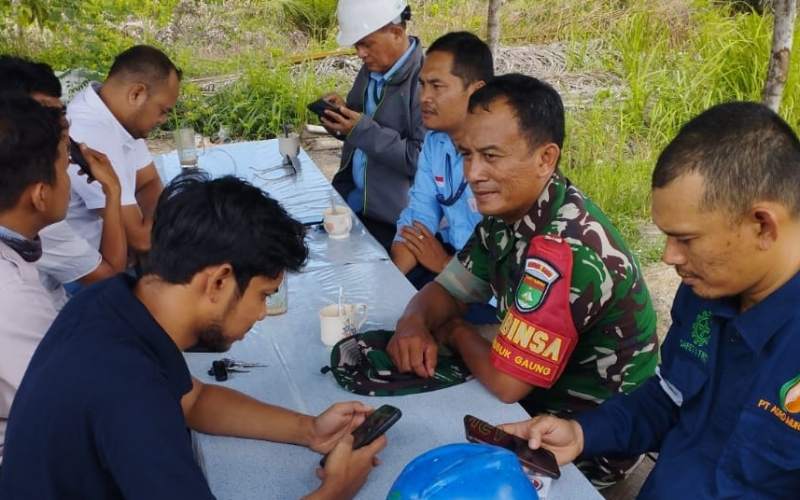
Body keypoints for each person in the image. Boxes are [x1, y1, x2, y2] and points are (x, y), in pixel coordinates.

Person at [0, 175, 386, 500]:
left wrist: (308, 429)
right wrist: (335, 491)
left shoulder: (110, 302)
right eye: (263, 296)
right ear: (218, 282)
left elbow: (194, 399)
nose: (261, 313)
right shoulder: (130, 391)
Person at [500, 102, 800, 498]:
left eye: (686, 239)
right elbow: (669, 398)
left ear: (762, 226)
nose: (669, 257)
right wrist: (582, 433)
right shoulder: (706, 290)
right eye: (667, 236)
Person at [387, 74, 658, 487]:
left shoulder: (566, 251)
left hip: (582, 441)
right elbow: (449, 289)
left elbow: (507, 384)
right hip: (533, 400)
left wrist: (454, 329)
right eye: (466, 154)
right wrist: (413, 323)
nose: (473, 173)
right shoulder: (507, 213)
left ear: (545, 159)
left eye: (491, 156)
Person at [0, 55, 126, 309]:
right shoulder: (26, 209)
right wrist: (112, 191)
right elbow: (111, 276)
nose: (64, 128)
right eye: (45, 118)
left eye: (61, 114)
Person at [391, 31, 491, 293]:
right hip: (453, 263)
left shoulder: (500, 155)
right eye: (423, 85)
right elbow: (419, 216)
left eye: (437, 86)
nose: (423, 97)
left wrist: (445, 264)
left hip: (491, 288)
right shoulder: (436, 143)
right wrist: (390, 282)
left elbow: (504, 260)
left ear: (476, 91)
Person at [322, 0, 426, 250]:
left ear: (396, 34)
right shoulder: (371, 70)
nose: (360, 54)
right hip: (353, 199)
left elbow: (420, 159)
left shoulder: (424, 82)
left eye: (367, 44)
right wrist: (341, 117)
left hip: (393, 220)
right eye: (357, 45)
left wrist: (359, 129)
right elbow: (361, 127)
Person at [0, 94, 69, 468]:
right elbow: (70, 404)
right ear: (40, 195)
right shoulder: (11, 295)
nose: (71, 180)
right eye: (66, 166)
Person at [66, 44, 180, 258]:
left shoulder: (121, 118)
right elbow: (142, 240)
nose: (162, 120)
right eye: (162, 111)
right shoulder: (90, 132)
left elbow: (149, 182)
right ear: (136, 94)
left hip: (113, 259)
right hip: (86, 270)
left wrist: (149, 223)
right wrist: (153, 225)